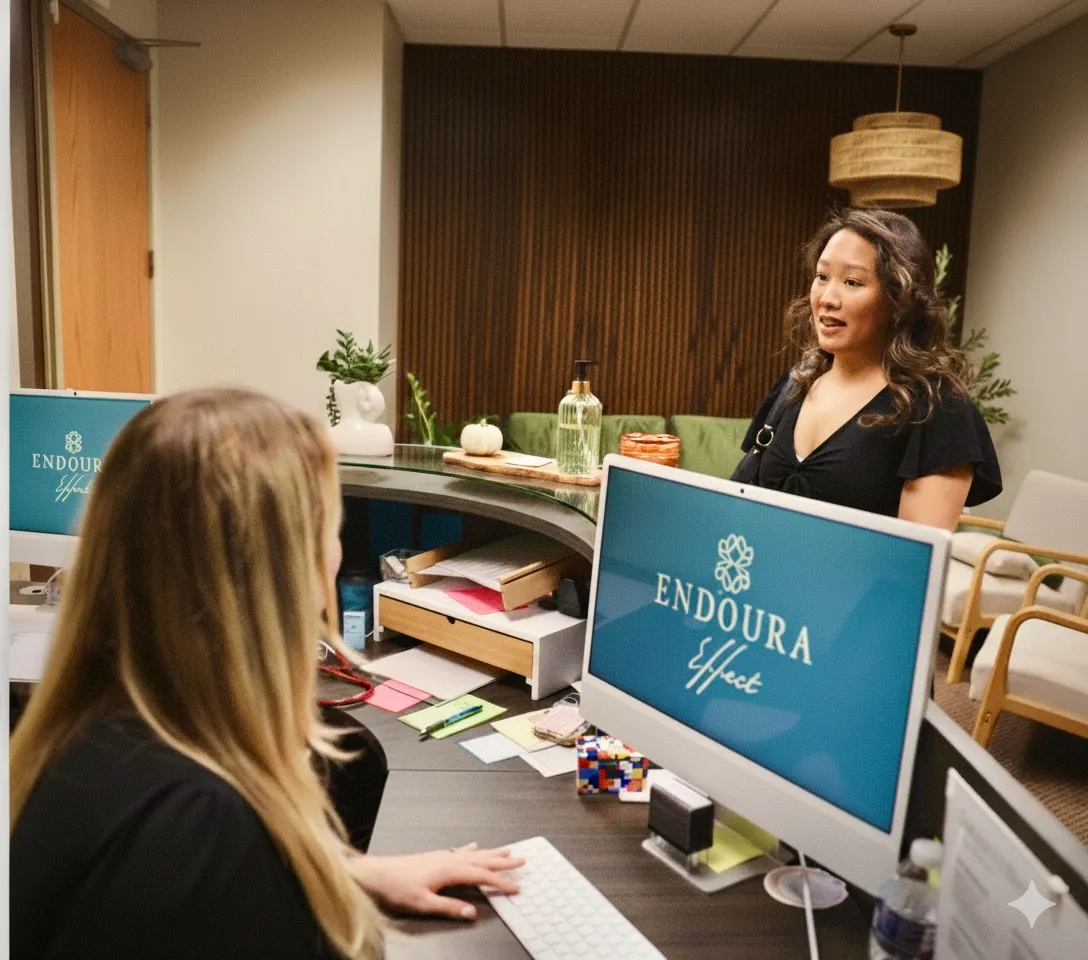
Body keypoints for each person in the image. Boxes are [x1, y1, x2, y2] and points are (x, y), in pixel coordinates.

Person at [9, 388, 523, 960]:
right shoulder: (200, 831)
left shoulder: (92, 736)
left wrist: (348, 873)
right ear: (278, 572)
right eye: (331, 527)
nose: (336, 553)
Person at [734, 208, 1001, 529]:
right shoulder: (796, 384)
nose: (827, 298)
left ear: (899, 299)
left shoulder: (939, 408)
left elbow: (912, 565)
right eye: (822, 277)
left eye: (852, 281)